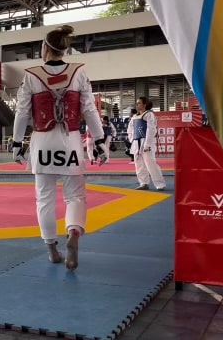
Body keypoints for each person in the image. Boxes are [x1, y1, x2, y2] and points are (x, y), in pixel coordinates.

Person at [12, 25, 108, 271]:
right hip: (71, 140)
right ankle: (74, 231)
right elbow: (89, 109)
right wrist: (99, 140)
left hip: (42, 140)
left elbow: (22, 113)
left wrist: (16, 142)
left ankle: (52, 248)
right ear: (64, 48)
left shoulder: (31, 75)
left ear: (45, 48)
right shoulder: (79, 73)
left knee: (44, 198)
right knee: (75, 195)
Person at [130, 97, 166, 190]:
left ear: (145, 104)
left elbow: (151, 129)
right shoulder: (134, 117)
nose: (137, 105)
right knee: (139, 164)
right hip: (136, 142)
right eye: (136, 103)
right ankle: (143, 183)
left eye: (139, 103)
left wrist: (147, 144)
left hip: (146, 141)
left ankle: (160, 184)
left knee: (151, 163)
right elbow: (130, 130)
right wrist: (132, 140)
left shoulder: (149, 114)